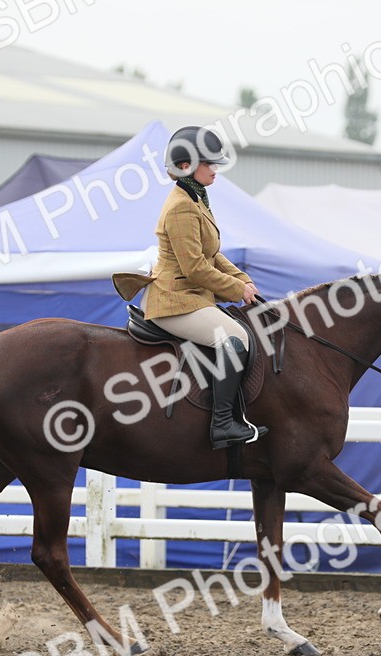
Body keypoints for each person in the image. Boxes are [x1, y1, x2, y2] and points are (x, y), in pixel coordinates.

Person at [113, 126, 267, 449]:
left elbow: (211, 255)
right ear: (187, 165)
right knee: (235, 338)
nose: (215, 169)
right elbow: (195, 269)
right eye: (209, 163)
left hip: (190, 297)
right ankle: (223, 424)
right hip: (174, 301)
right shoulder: (181, 206)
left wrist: (243, 279)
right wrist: (236, 291)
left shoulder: (195, 197)